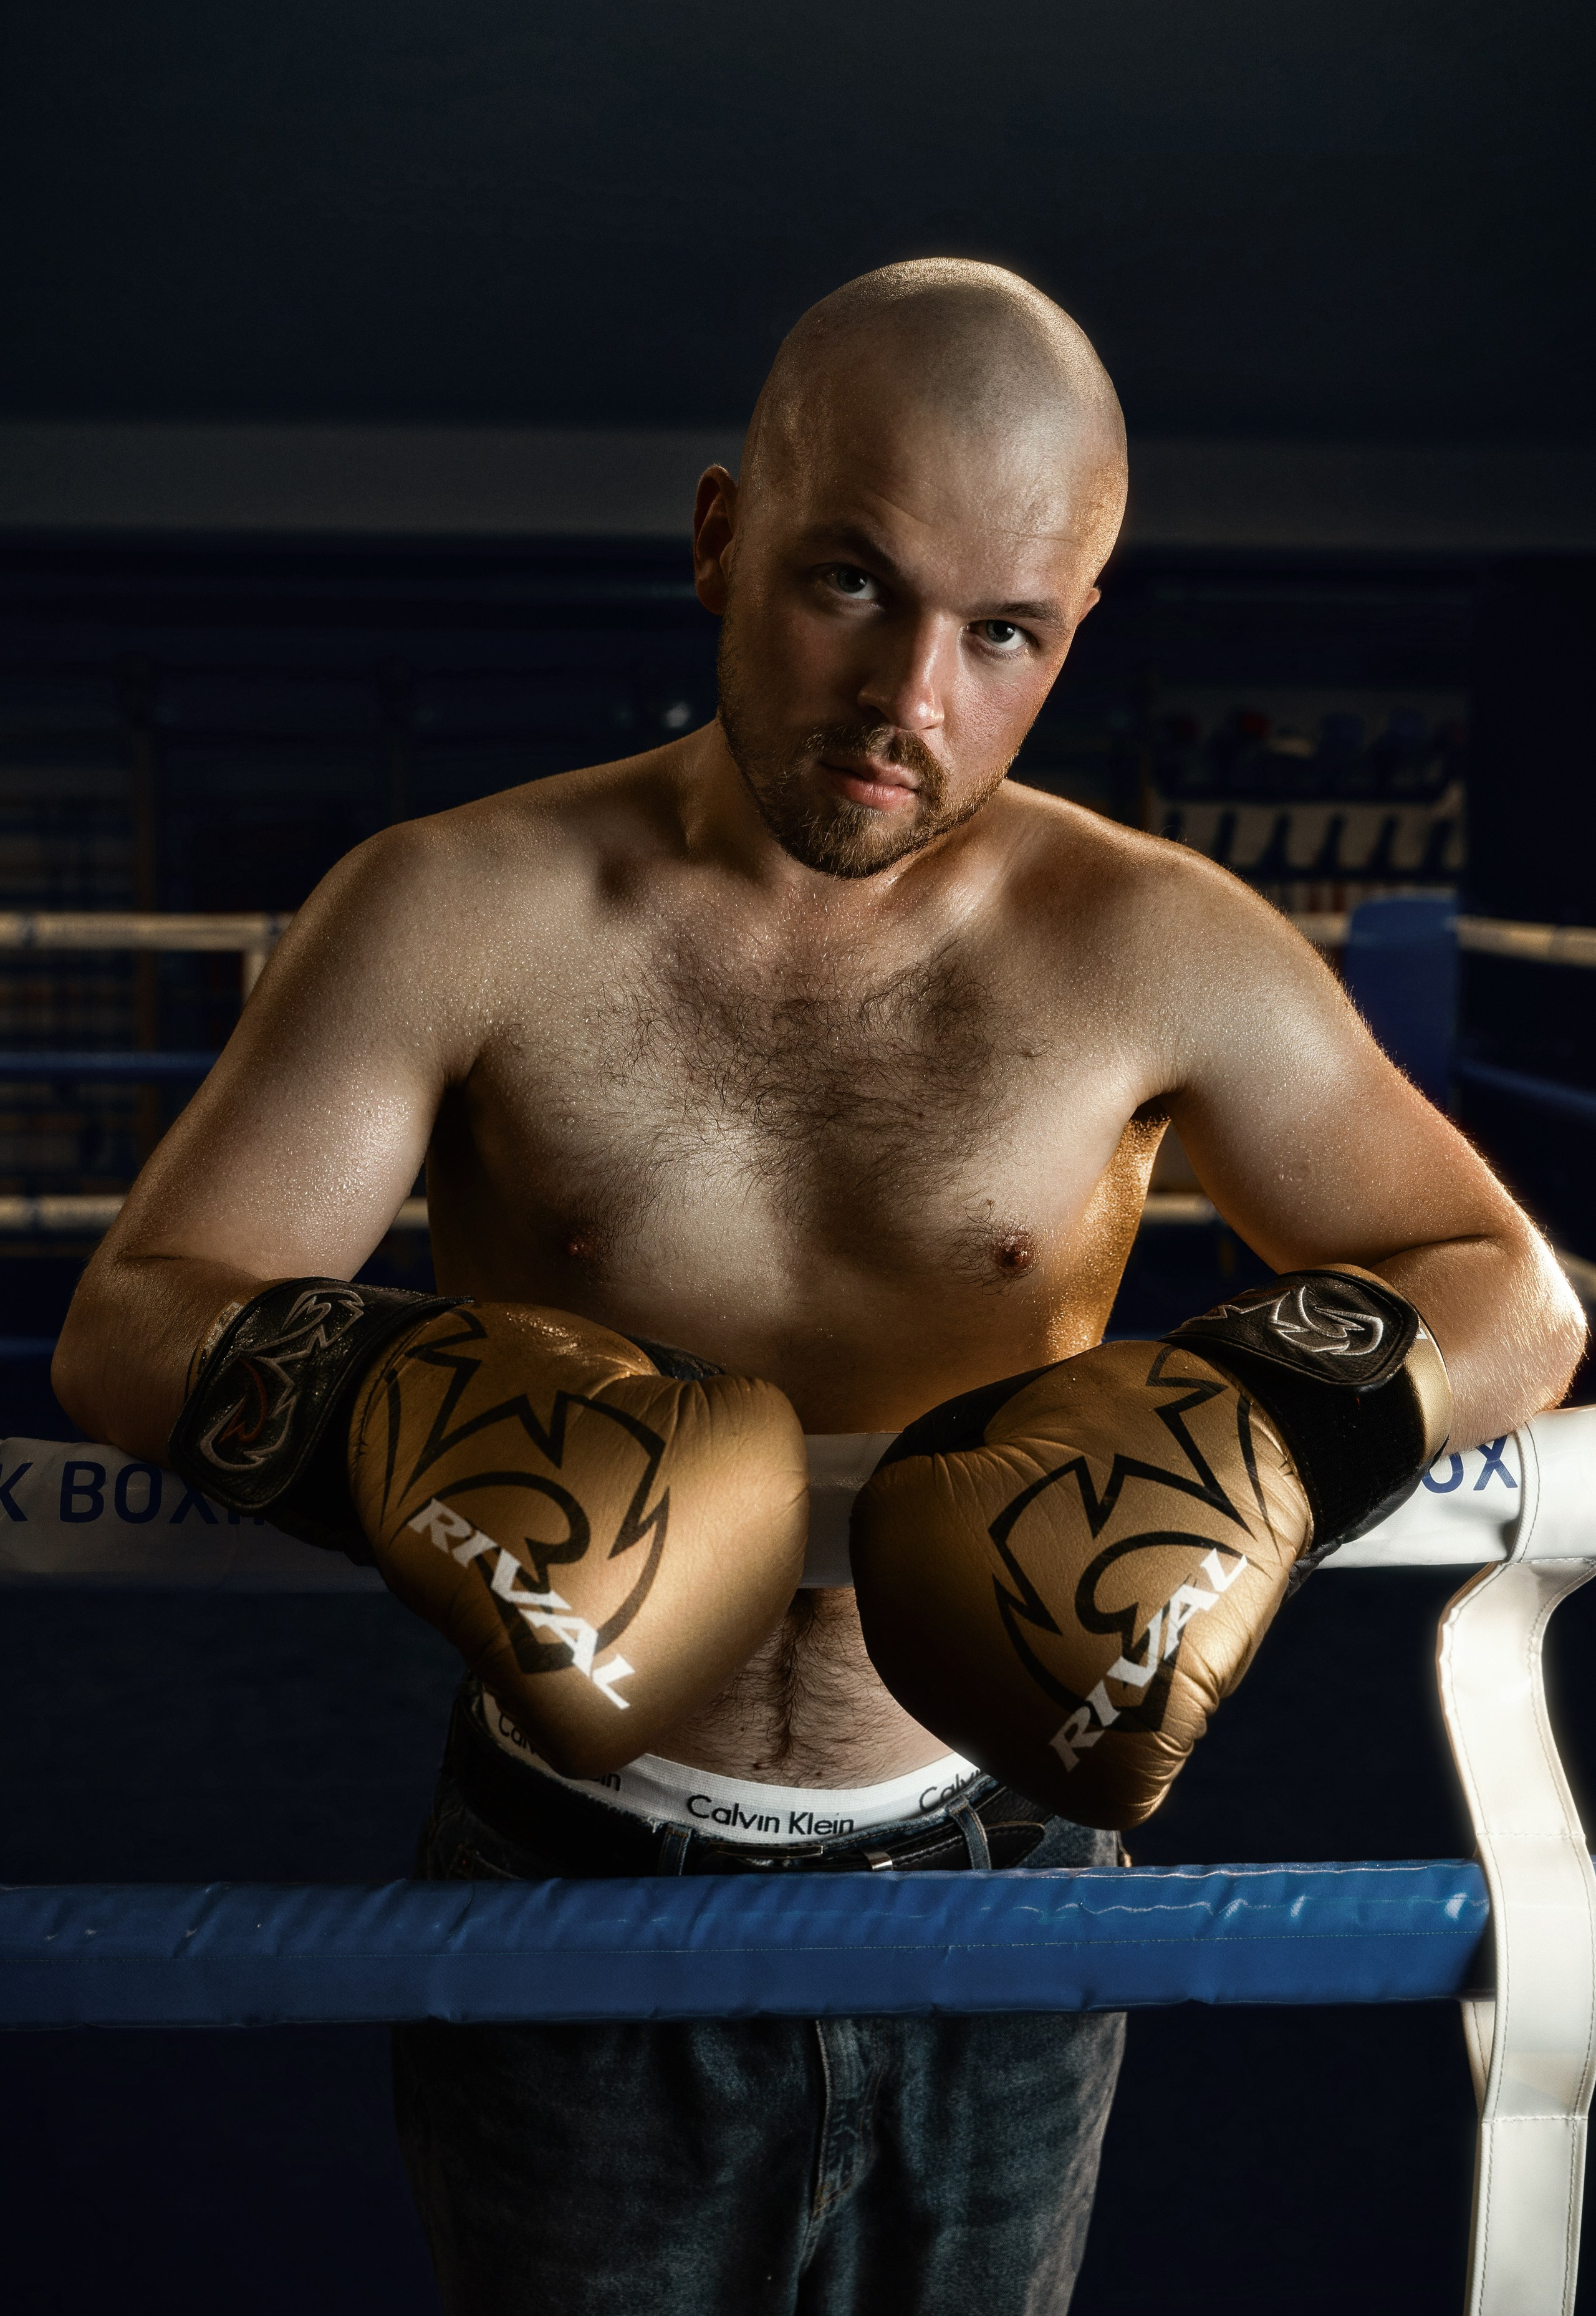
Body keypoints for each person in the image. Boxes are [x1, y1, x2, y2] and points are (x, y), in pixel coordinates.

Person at [54, 259, 1584, 2315]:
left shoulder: (1157, 944)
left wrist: (1264, 1421)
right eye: (851, 585)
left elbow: (1515, 1289)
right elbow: (143, 1311)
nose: (912, 699)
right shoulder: (453, 912)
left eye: (1004, 633)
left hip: (1004, 1866)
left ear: (1074, 635)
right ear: (720, 539)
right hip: (579, 1864)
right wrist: (411, 1407)